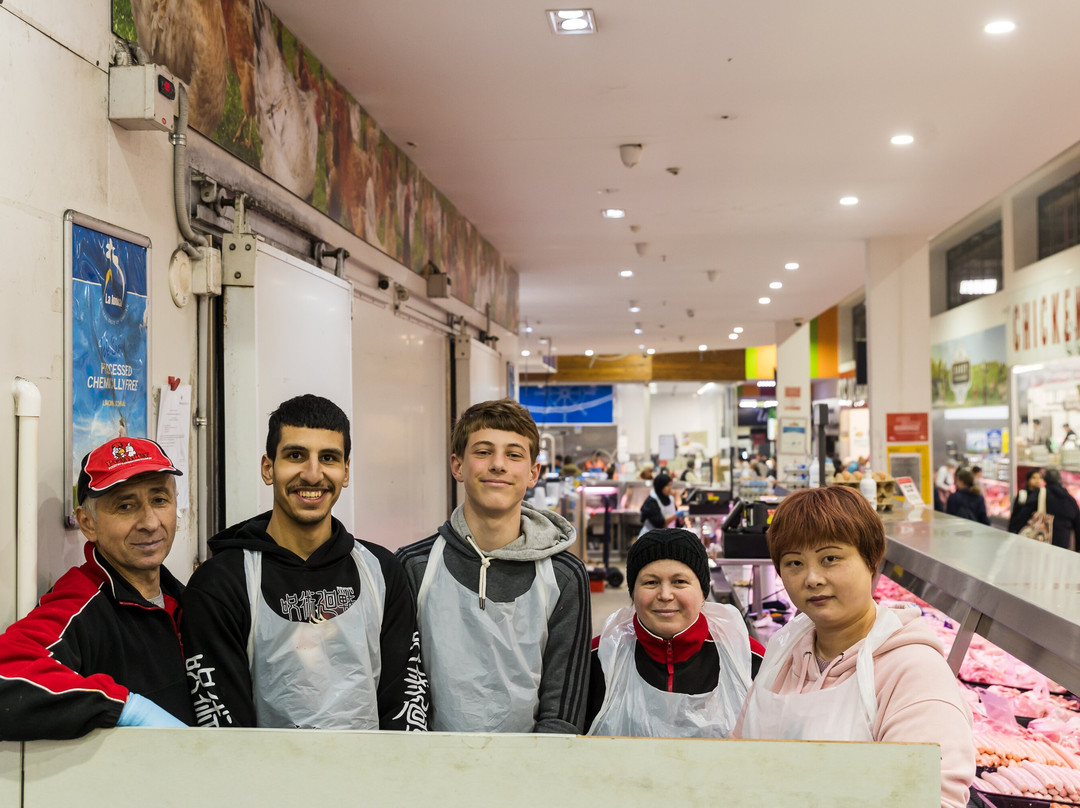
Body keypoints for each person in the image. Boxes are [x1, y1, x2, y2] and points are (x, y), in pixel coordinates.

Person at [180, 394, 427, 730]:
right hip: (264, 780)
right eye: (295, 456)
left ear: (346, 471)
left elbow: (403, 702)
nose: (313, 474)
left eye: (328, 458)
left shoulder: (382, 572)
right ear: (268, 468)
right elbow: (224, 729)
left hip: (370, 778)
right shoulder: (221, 582)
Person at [733, 486, 974, 808]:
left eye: (830, 558)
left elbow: (934, 797)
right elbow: (735, 760)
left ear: (872, 561)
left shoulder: (914, 670)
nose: (812, 578)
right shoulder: (783, 652)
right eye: (794, 563)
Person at [396, 399, 591, 733]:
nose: (498, 465)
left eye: (514, 455)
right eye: (483, 452)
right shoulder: (414, 566)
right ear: (457, 466)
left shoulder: (564, 576)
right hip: (432, 771)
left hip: (528, 774)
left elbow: (563, 707)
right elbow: (404, 691)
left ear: (533, 473)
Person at [0, 437, 194, 739]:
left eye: (159, 500)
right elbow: (7, 674)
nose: (150, 522)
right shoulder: (79, 601)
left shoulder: (187, 600)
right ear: (88, 523)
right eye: (126, 506)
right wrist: (126, 708)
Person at [586, 529, 764, 736]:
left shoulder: (746, 659)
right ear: (632, 593)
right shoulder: (600, 657)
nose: (665, 594)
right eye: (650, 582)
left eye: (680, 581)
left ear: (703, 592)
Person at [1010, 468, 1080, 550]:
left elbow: (1024, 514)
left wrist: (1014, 531)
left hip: (1042, 542)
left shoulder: (1040, 494)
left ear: (1045, 479)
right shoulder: (1070, 499)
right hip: (1063, 544)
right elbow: (1078, 523)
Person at [638, 473, 681, 537]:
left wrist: (680, 520)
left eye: (670, 485)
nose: (670, 488)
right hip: (650, 538)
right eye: (667, 486)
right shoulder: (651, 502)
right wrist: (676, 515)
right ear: (660, 486)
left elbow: (676, 523)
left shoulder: (670, 499)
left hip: (666, 537)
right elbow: (659, 523)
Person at [1006, 469, 1044, 534]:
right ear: (1028, 480)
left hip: (1033, 529)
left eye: (1039, 478)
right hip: (1020, 528)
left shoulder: (1042, 494)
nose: (1037, 480)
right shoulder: (1022, 493)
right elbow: (1016, 512)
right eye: (1034, 478)